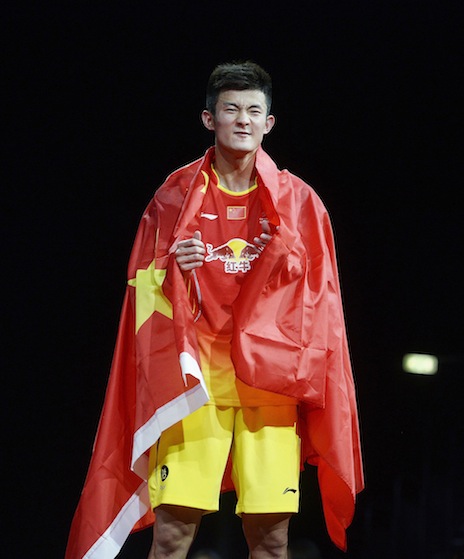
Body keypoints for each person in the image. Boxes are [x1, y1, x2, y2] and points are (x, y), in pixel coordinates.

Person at [66, 61, 364, 559]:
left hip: (269, 389)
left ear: (269, 122)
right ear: (210, 118)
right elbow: (140, 294)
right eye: (231, 109)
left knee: (271, 541)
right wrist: (172, 269)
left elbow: (323, 302)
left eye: (254, 111)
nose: (243, 120)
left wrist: (284, 262)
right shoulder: (173, 196)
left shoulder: (299, 203)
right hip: (195, 387)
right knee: (171, 537)